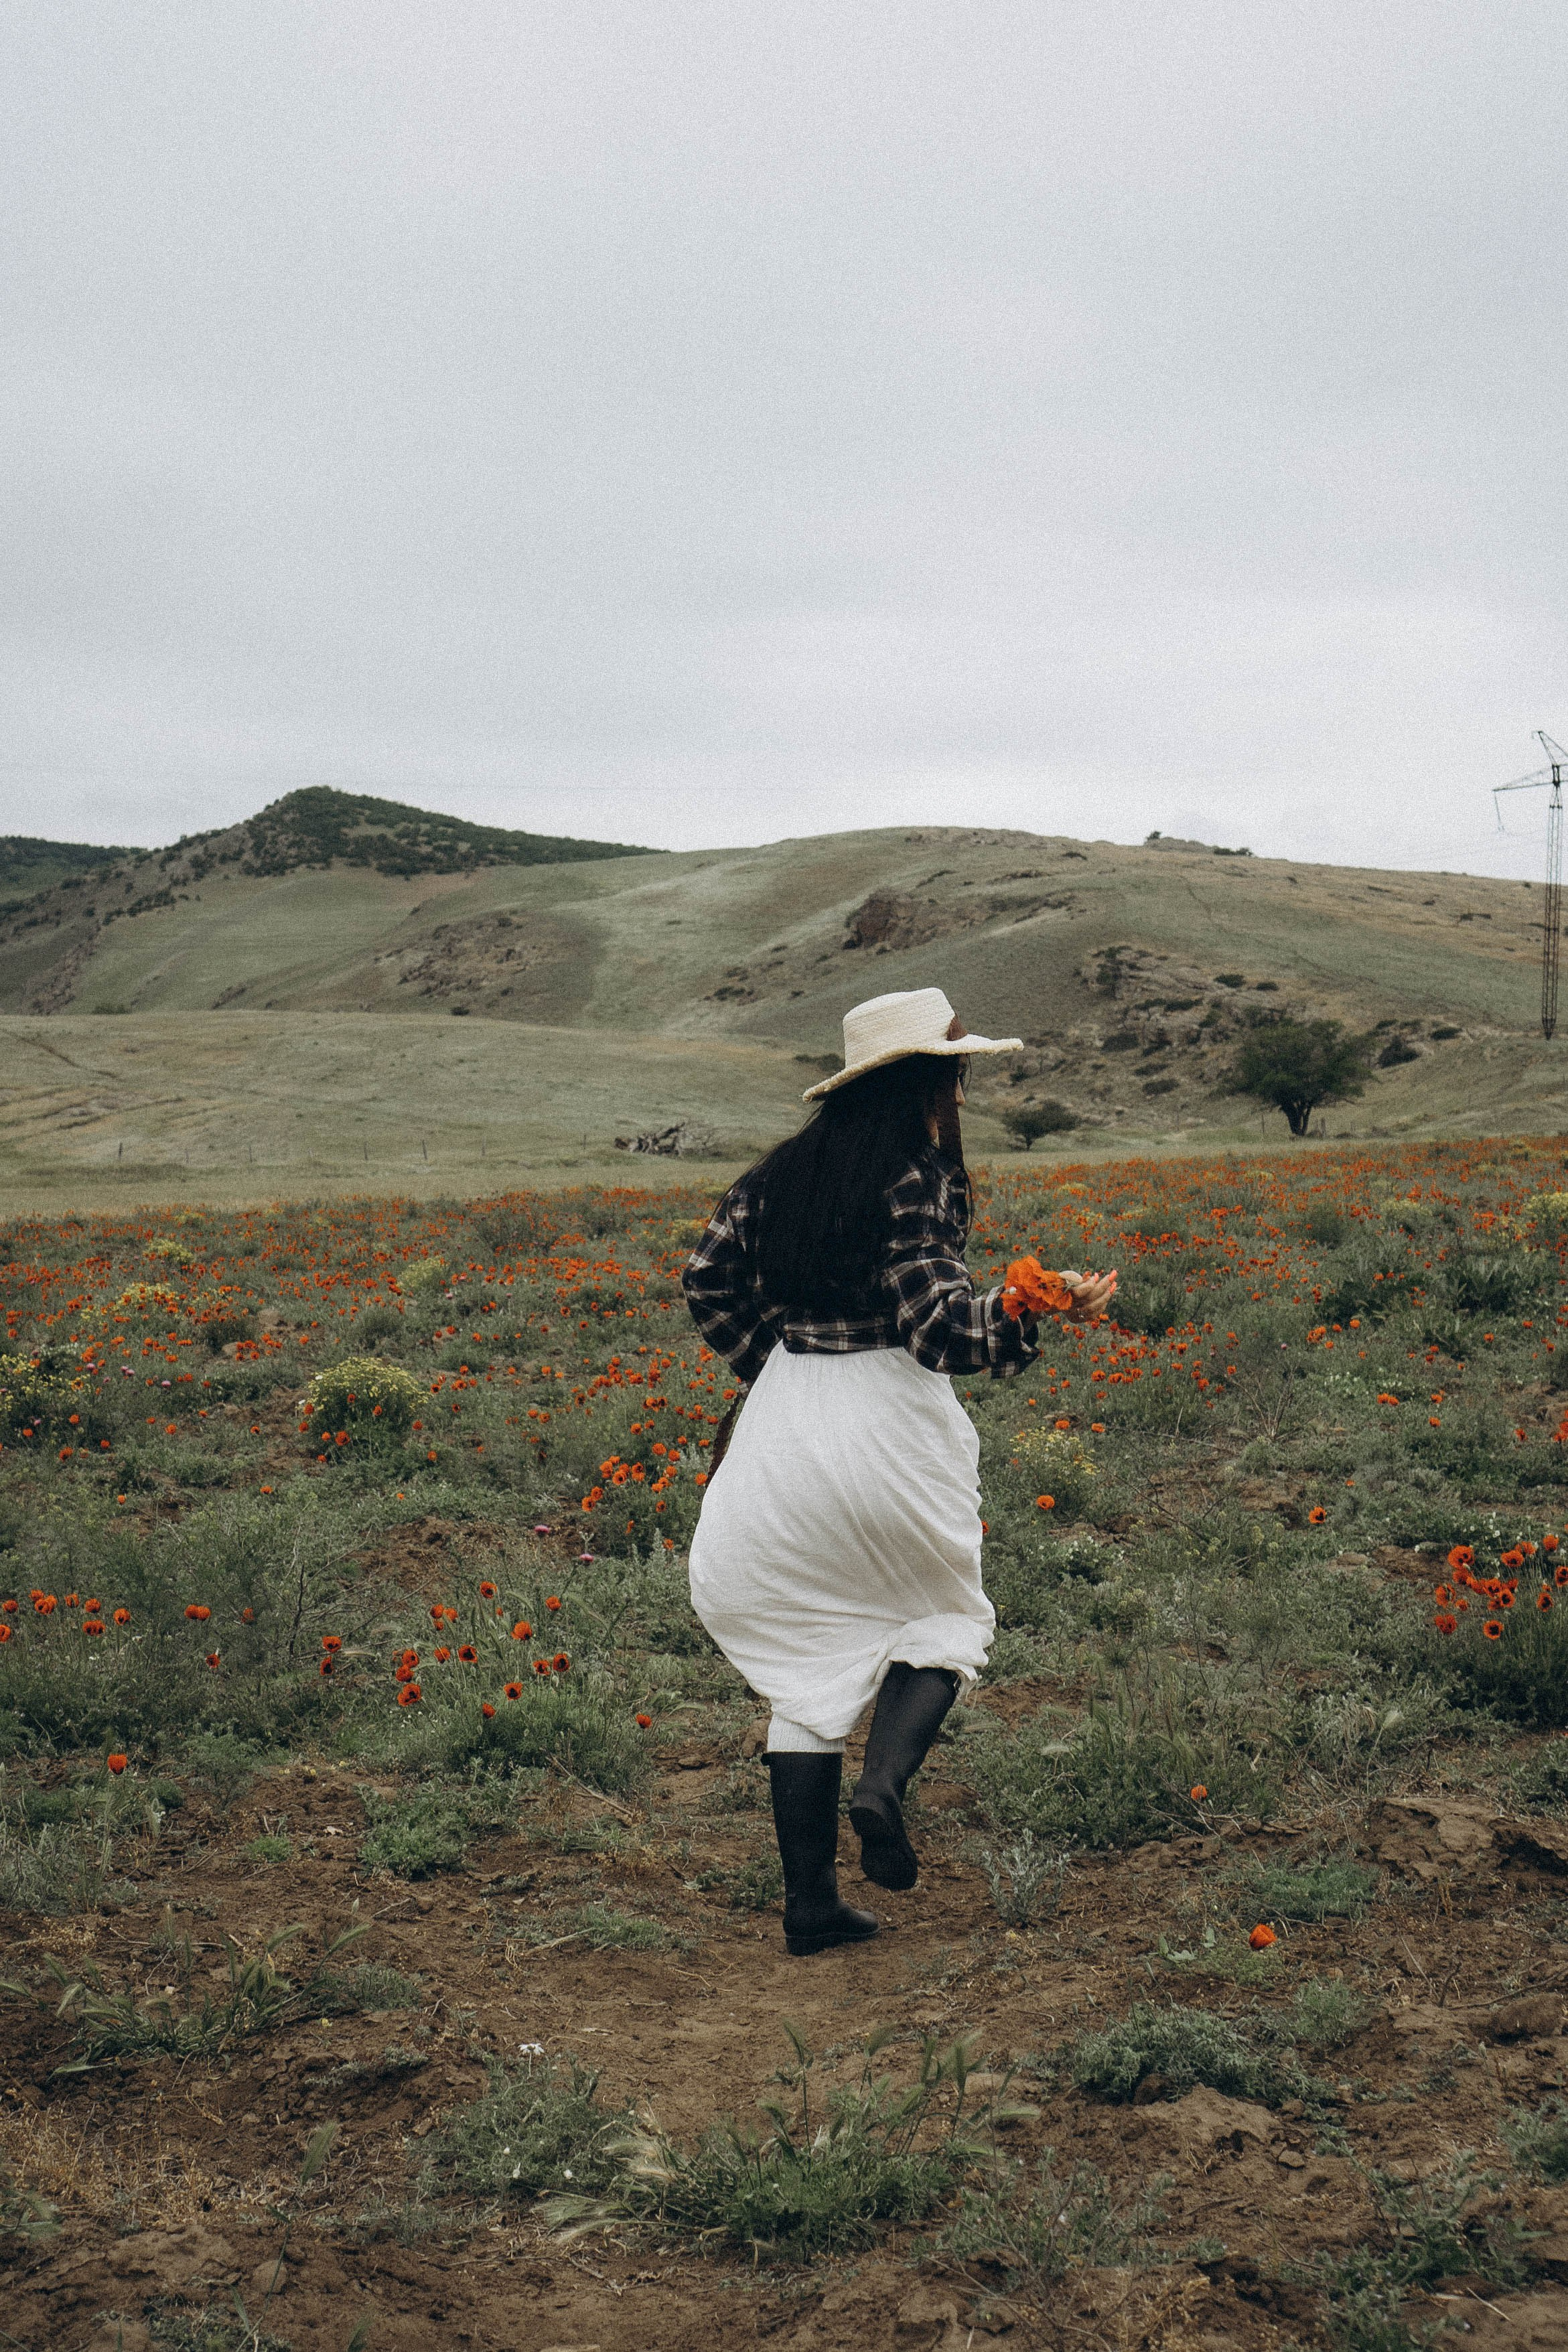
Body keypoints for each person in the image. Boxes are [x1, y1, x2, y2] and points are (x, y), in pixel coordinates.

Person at [681, 986, 1116, 1955]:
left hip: (787, 1423)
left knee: (807, 1663)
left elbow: (705, 1279)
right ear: (921, 1082)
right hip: (889, 1426)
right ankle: (882, 1783)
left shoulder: (775, 1176)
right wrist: (1035, 1306)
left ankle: (811, 1907)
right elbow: (937, 1330)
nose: (959, 1093)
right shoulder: (916, 1177)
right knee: (946, 1618)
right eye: (953, 1074)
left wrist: (774, 1368)